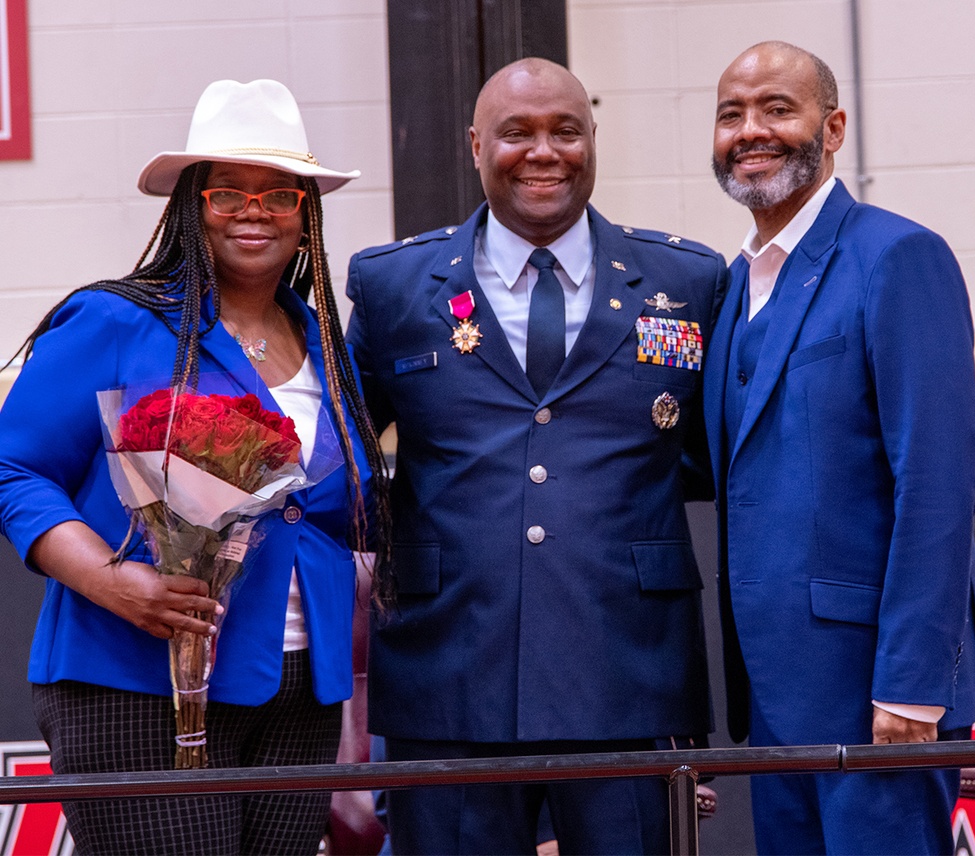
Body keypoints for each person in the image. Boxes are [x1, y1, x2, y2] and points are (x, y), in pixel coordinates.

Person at [346, 57, 727, 854]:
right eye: (517, 132)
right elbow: (342, 459)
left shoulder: (686, 279)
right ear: (475, 144)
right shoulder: (393, 285)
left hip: (628, 672)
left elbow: (709, 456)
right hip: (450, 671)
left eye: (566, 131)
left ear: (594, 141)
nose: (544, 151)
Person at [0, 79, 391, 855]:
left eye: (280, 194)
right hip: (134, 679)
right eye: (228, 193)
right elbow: (14, 471)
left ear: (306, 211)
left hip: (298, 693)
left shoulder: (325, 342)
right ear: (191, 204)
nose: (256, 211)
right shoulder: (118, 320)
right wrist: (113, 582)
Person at [705, 40, 975, 854]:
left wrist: (910, 687)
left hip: (880, 696)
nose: (751, 131)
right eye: (732, 114)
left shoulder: (897, 256)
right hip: (774, 696)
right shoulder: (733, 286)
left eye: (777, 109)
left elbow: (938, 488)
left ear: (832, 128)